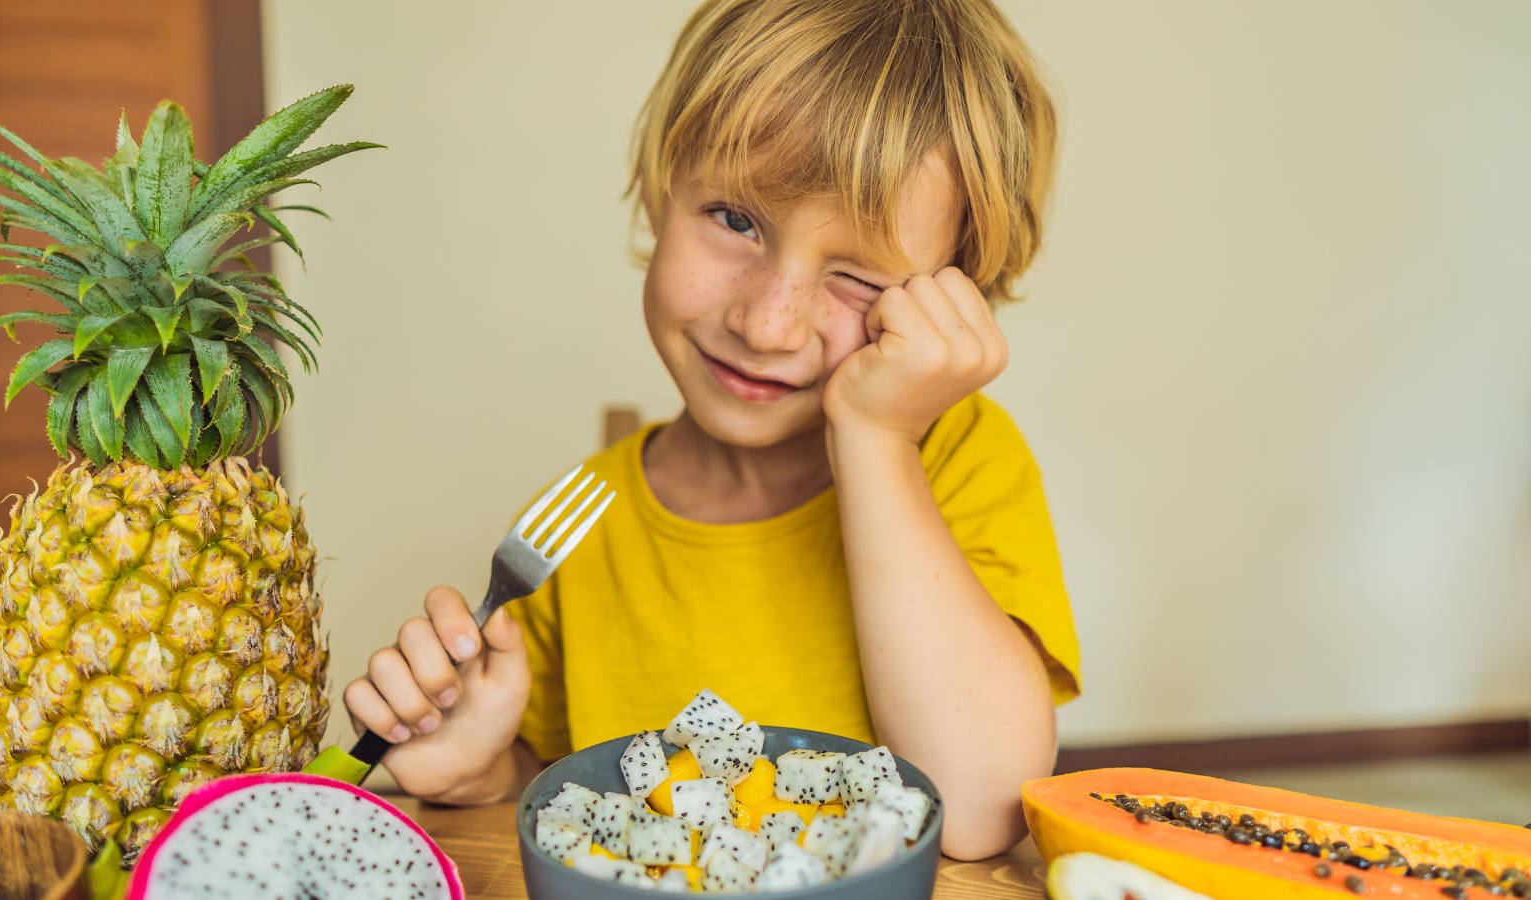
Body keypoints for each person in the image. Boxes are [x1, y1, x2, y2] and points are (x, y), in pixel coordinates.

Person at [345, 0, 1079, 859]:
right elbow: (576, 792)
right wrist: (487, 772)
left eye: (860, 279)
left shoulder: (961, 459)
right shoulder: (577, 525)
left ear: (949, 303)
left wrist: (877, 439)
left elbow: (980, 804)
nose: (769, 325)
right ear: (660, 193)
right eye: (735, 220)